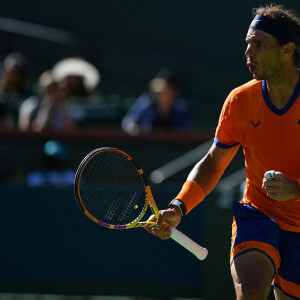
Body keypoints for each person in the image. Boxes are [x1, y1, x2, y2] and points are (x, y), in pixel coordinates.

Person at [146, 4, 300, 300]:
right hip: (258, 214)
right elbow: (213, 164)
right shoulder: (239, 101)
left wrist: (295, 188)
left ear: (287, 49)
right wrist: (179, 207)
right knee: (251, 289)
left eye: (259, 44)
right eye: (247, 44)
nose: (248, 52)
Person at [121, 68, 191, 135]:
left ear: (173, 93)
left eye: (165, 93)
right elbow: (128, 122)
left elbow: (187, 131)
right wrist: (134, 129)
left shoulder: (180, 108)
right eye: (157, 92)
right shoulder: (146, 103)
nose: (160, 96)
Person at [0, 52, 32, 129]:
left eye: (16, 73)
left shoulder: (27, 96)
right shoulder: (1, 93)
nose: (12, 76)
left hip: (17, 138)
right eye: (9, 72)